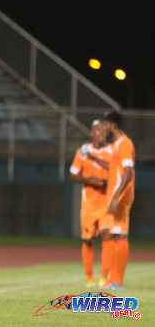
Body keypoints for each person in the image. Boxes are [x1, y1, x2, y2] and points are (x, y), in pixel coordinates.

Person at [70, 119, 113, 287]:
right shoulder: (82, 151)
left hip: (107, 203)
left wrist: (105, 182)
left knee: (107, 236)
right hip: (89, 204)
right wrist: (89, 180)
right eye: (97, 130)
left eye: (103, 130)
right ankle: (89, 278)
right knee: (87, 240)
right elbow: (73, 175)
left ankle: (103, 277)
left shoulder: (112, 150)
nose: (101, 133)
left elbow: (117, 170)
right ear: (91, 133)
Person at [100, 111, 135, 290]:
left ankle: (118, 281)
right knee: (115, 235)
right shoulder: (117, 145)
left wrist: (116, 196)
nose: (103, 127)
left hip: (121, 197)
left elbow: (128, 172)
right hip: (115, 195)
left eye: (105, 124)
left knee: (121, 235)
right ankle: (113, 279)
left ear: (113, 125)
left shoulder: (125, 144)